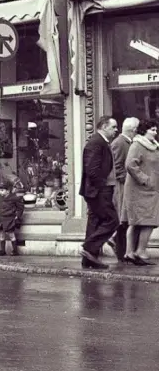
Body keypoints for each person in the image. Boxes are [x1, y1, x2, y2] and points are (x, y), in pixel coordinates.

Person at [80, 115, 119, 269]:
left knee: (95, 222)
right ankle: (89, 247)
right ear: (104, 127)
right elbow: (92, 169)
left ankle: (89, 260)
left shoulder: (101, 142)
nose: (116, 130)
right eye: (113, 127)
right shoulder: (96, 142)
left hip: (97, 190)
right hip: (98, 191)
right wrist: (102, 186)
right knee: (112, 220)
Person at [122, 118, 159, 266]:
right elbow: (130, 164)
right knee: (148, 221)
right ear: (144, 131)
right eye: (152, 129)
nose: (155, 132)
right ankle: (140, 252)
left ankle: (129, 253)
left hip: (148, 189)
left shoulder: (153, 146)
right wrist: (145, 179)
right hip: (140, 189)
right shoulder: (137, 145)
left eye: (156, 130)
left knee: (137, 222)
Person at [109, 117, 139, 262]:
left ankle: (122, 251)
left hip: (126, 186)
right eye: (137, 129)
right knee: (123, 218)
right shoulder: (120, 143)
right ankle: (118, 246)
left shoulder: (126, 142)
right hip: (122, 187)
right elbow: (117, 166)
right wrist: (128, 181)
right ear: (133, 130)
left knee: (126, 219)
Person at [0, 177, 24, 256]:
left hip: (9, 218)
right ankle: (2, 250)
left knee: (11, 234)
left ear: (8, 191)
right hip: (1, 218)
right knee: (1, 234)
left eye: (2, 190)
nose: (0, 192)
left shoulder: (14, 198)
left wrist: (17, 216)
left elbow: (20, 207)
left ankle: (14, 250)